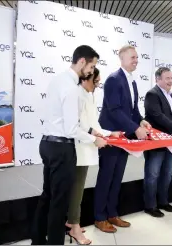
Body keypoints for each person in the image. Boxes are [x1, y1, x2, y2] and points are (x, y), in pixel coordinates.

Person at [31, 45, 100, 245]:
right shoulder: (71, 88)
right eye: (91, 66)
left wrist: (89, 132)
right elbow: (71, 129)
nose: (91, 71)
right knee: (59, 202)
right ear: (81, 61)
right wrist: (94, 138)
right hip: (62, 148)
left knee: (47, 195)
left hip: (47, 144)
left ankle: (37, 239)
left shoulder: (57, 80)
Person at [94, 45, 151, 233]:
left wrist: (141, 121)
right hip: (111, 137)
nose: (136, 60)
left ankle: (112, 213)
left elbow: (133, 110)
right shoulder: (113, 80)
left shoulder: (132, 82)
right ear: (122, 59)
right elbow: (114, 110)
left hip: (124, 137)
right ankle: (99, 217)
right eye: (133, 57)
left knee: (117, 177)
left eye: (137, 57)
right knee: (106, 177)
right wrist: (134, 128)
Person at [65, 68, 121, 244]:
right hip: (76, 148)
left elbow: (93, 125)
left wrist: (109, 133)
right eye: (95, 82)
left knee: (78, 189)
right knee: (76, 189)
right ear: (85, 79)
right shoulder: (76, 95)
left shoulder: (89, 95)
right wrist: (95, 137)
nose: (96, 86)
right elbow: (78, 127)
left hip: (85, 147)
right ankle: (74, 226)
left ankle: (72, 221)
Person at [143, 67, 172, 217]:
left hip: (171, 142)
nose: (170, 81)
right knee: (153, 174)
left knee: (167, 173)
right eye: (167, 78)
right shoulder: (152, 94)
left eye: (171, 78)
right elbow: (158, 116)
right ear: (158, 79)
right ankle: (150, 206)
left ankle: (163, 202)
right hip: (157, 143)